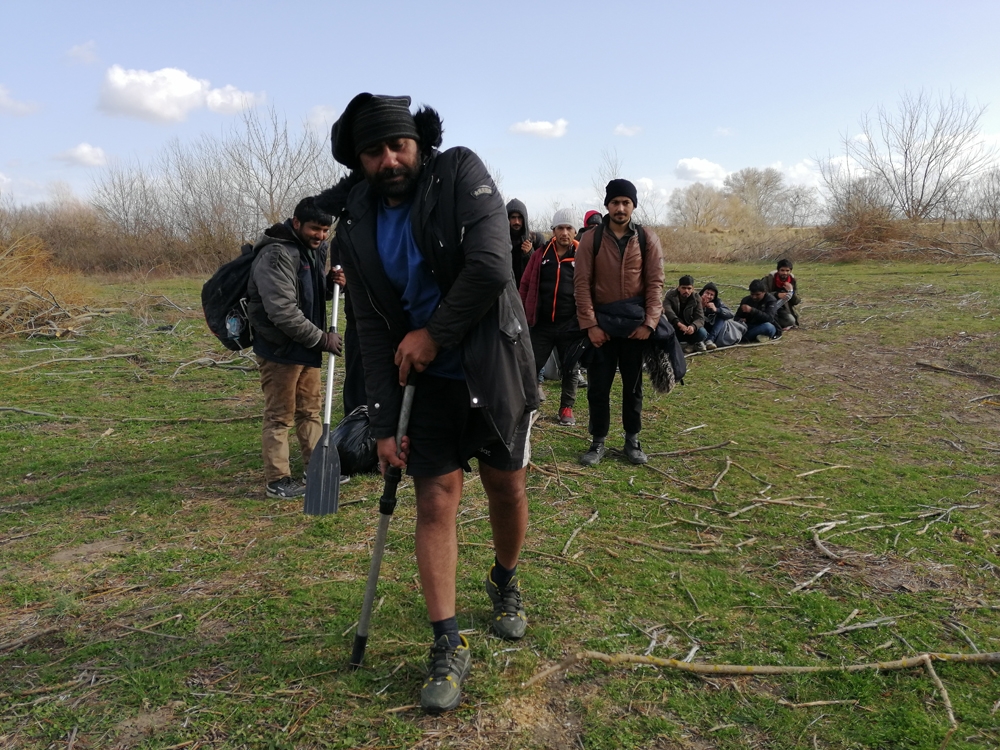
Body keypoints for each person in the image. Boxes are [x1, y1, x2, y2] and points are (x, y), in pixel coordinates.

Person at [328, 93, 537, 714]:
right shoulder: (356, 221)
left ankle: (504, 579)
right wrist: (386, 422)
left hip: (493, 367)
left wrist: (433, 334)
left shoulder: (461, 174)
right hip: (426, 387)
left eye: (399, 145)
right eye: (374, 151)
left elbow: (492, 266)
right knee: (435, 498)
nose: (389, 159)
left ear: (419, 142)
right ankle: (447, 642)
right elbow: (368, 325)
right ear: (358, 160)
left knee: (506, 487)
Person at [246, 197, 344, 499]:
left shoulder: (311, 250)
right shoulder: (276, 254)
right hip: (279, 350)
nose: (321, 236)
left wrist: (330, 284)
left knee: (310, 412)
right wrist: (322, 339)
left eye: (326, 230)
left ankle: (317, 470)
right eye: (316, 228)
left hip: (305, 347)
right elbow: (283, 311)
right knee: (279, 416)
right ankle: (278, 481)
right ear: (297, 223)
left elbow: (309, 294)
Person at [574, 179, 664, 466]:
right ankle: (597, 441)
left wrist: (649, 323)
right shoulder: (592, 239)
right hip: (602, 328)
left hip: (635, 328)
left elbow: (654, 283)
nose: (620, 208)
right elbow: (581, 284)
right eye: (615, 202)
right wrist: (590, 325)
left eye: (626, 202)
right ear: (607, 206)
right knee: (598, 387)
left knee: (633, 387)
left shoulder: (647, 239)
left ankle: (632, 440)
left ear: (633, 206)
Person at [519, 207, 581, 426]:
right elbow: (525, 284)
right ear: (553, 230)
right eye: (560, 228)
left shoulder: (582, 256)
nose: (565, 232)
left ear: (575, 231)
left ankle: (566, 408)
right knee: (530, 366)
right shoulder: (541, 254)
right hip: (542, 324)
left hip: (570, 325)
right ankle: (528, 403)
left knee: (570, 369)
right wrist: (525, 315)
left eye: (569, 228)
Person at [663, 275, 708, 353]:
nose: (686, 291)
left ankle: (690, 344)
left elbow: (700, 318)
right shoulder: (670, 295)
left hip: (689, 328)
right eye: (683, 288)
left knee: (702, 333)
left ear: (692, 289)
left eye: (689, 288)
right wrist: (678, 323)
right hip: (675, 326)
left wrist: (693, 327)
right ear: (679, 287)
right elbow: (668, 310)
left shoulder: (696, 298)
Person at [506, 198, 544, 287]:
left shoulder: (536, 239)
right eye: (513, 218)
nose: (516, 222)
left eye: (520, 217)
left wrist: (530, 254)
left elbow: (544, 270)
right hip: (506, 293)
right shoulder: (500, 241)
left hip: (528, 292)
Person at [761, 258, 800, 329]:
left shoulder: (792, 281)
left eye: (787, 270)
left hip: (783, 309)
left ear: (790, 271)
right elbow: (761, 295)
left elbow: (796, 301)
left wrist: (791, 291)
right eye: (782, 270)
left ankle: (772, 323)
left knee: (791, 320)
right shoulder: (767, 280)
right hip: (766, 307)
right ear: (778, 270)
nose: (785, 273)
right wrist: (776, 294)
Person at [698, 282, 735, 349]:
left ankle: (710, 340)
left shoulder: (717, 302)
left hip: (712, 327)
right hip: (698, 327)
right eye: (707, 293)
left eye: (711, 295)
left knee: (721, 317)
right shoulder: (695, 299)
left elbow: (730, 314)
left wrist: (717, 310)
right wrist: (700, 306)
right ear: (702, 292)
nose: (708, 296)